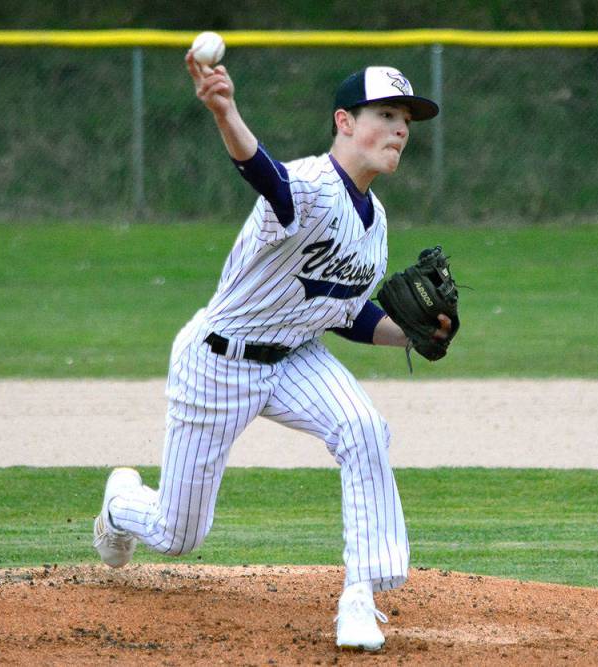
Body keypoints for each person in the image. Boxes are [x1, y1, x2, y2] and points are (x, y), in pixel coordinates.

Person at [93, 52, 451, 652]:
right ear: (344, 121)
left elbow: (343, 310)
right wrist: (225, 111)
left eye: (406, 121)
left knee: (363, 428)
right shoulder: (311, 184)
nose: (400, 131)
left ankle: (359, 595)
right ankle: (121, 503)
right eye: (386, 115)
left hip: (295, 358)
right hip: (218, 361)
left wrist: (415, 335)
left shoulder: (377, 222)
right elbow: (263, 174)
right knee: (178, 534)